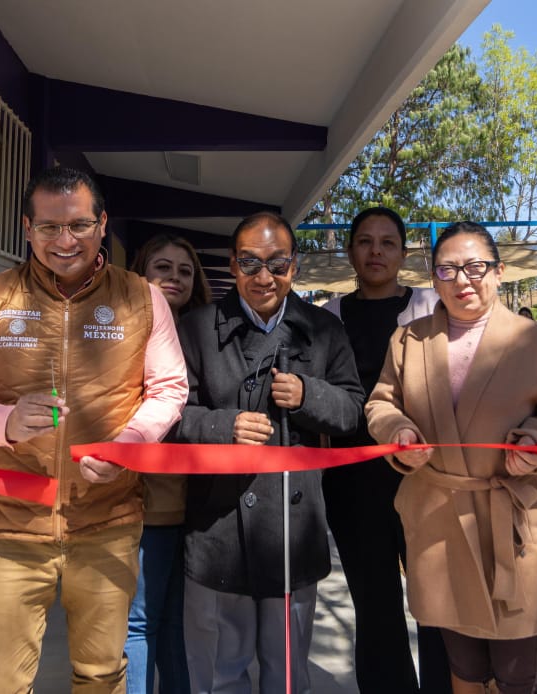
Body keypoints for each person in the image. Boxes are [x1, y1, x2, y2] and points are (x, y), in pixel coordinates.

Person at [0, 166, 188, 694]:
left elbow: (169, 389)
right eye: (48, 227)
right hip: (8, 527)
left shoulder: (142, 299)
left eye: (78, 225)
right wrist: (0, 421)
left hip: (107, 523)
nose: (64, 241)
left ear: (103, 225)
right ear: (27, 228)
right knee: (2, 681)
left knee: (100, 675)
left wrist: (129, 444)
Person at [365, 221, 537, 694]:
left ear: (499, 271)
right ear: (433, 279)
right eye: (448, 270)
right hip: (440, 519)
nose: (462, 280)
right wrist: (399, 431)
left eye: (475, 267)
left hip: (513, 521)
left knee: (517, 669)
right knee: (462, 663)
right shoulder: (407, 341)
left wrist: (536, 443)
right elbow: (381, 403)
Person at [174, 211, 364, 693]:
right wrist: (223, 426)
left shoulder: (323, 329)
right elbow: (170, 413)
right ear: (233, 266)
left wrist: (307, 395)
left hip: (291, 533)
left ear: (294, 267)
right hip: (217, 525)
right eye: (250, 263)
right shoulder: (195, 329)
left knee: (286, 676)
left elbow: (352, 410)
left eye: (277, 265)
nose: (264, 277)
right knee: (219, 673)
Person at [321, 206, 449, 694]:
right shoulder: (328, 317)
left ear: (404, 252)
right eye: (365, 241)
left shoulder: (430, 310)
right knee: (376, 608)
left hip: (425, 479)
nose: (376, 251)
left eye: (387, 242)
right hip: (353, 486)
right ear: (351, 250)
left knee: (435, 604)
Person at [125, 234, 211, 694]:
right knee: (140, 622)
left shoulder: (207, 336)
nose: (174, 277)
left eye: (184, 270)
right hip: (145, 504)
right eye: (163, 267)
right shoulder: (123, 336)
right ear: (141, 273)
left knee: (181, 627)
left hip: (197, 508)